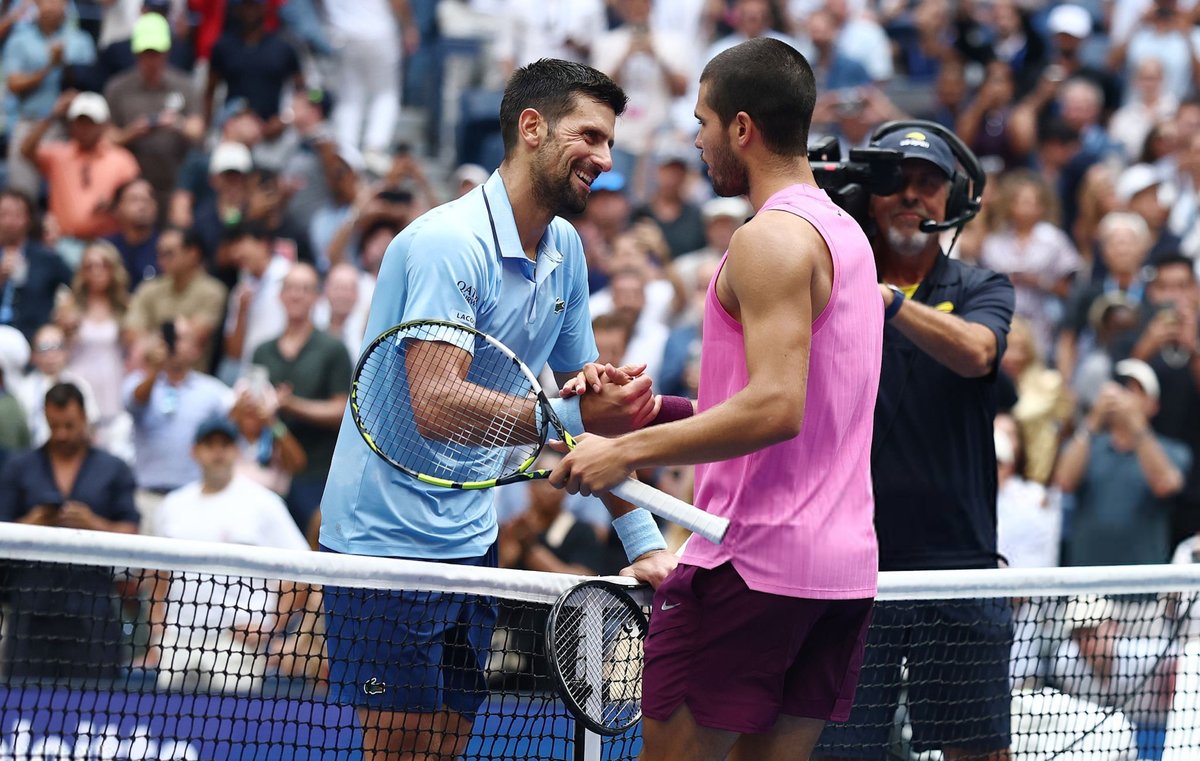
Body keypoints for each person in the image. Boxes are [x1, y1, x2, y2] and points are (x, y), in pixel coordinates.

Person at [318, 59, 669, 761]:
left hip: (472, 539)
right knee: (396, 753)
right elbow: (437, 405)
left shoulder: (565, 249)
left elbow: (591, 416)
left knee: (444, 750)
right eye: (590, 137)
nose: (604, 159)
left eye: (610, 143)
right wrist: (568, 420)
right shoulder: (450, 243)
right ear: (532, 128)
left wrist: (646, 546)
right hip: (383, 541)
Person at [551, 38, 883, 761]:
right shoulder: (848, 237)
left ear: (741, 128)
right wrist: (656, 412)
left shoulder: (768, 241)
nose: (696, 140)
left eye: (702, 121)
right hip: (840, 573)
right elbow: (802, 408)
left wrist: (624, 452)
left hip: (750, 565)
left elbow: (775, 409)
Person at [815, 123, 1016, 760]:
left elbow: (979, 352)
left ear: (953, 201)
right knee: (837, 752)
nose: (911, 195)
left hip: (958, 563)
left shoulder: (983, 287)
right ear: (867, 197)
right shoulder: (828, 276)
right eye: (894, 182)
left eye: (928, 183)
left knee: (977, 751)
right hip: (850, 565)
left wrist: (888, 303)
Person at [143, 414, 311, 694]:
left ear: (237, 450)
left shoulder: (264, 503)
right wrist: (157, 632)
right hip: (177, 640)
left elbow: (304, 572)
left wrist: (270, 626)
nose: (218, 452)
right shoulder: (172, 505)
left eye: (225, 444)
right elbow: (159, 575)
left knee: (231, 727)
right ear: (195, 451)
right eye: (210, 444)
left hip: (237, 645)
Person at [0, 382, 139, 681]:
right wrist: (35, 521)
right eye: (54, 426)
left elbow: (131, 532)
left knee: (98, 704)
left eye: (69, 425)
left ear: (85, 418)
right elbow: (3, 531)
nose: (62, 434)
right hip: (31, 605)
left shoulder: (114, 468)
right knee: (21, 701)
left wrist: (92, 523)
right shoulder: (19, 467)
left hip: (92, 605)